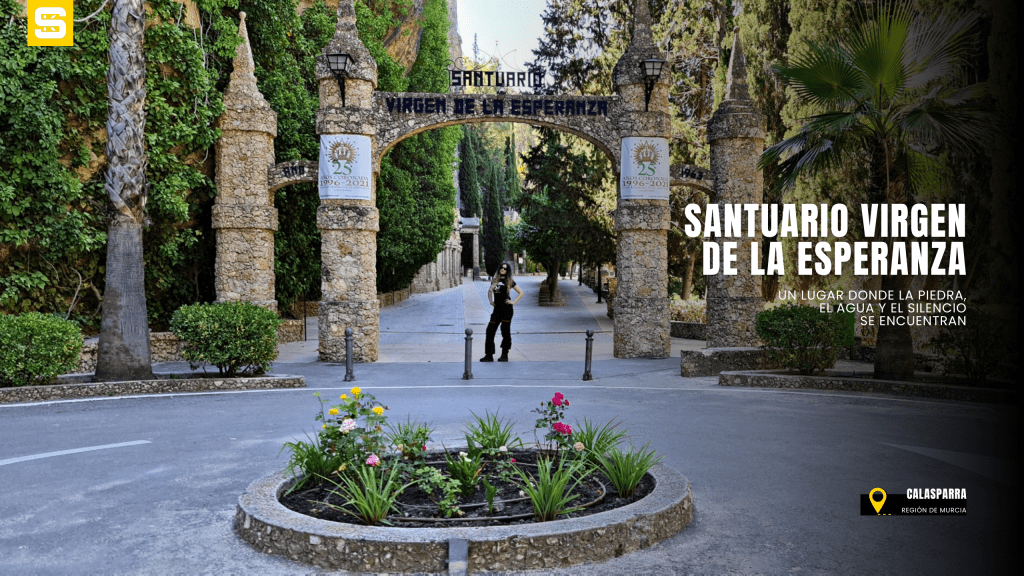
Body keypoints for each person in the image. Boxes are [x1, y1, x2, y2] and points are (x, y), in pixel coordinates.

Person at [480, 261, 523, 362]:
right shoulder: (494, 281)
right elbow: (490, 291)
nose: (503, 270)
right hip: (496, 310)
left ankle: (504, 354)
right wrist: (490, 301)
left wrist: (513, 302)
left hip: (506, 310)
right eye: (501, 268)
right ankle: (489, 355)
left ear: (507, 271)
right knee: (490, 330)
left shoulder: (509, 281)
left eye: (505, 268)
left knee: (505, 331)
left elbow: (521, 292)